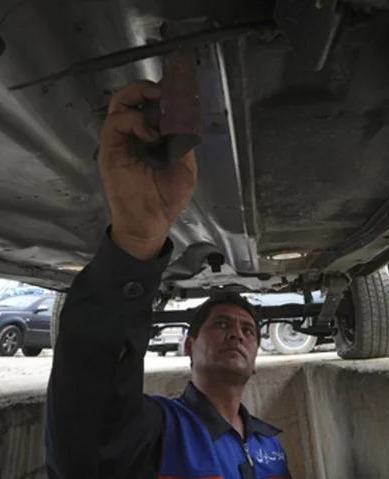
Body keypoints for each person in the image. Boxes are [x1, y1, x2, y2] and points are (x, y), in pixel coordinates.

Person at [45, 80, 291, 479]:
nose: (238, 335)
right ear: (189, 346)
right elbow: (89, 442)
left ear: (257, 358)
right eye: (223, 324)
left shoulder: (271, 446)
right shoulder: (159, 430)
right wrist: (134, 242)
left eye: (249, 330)